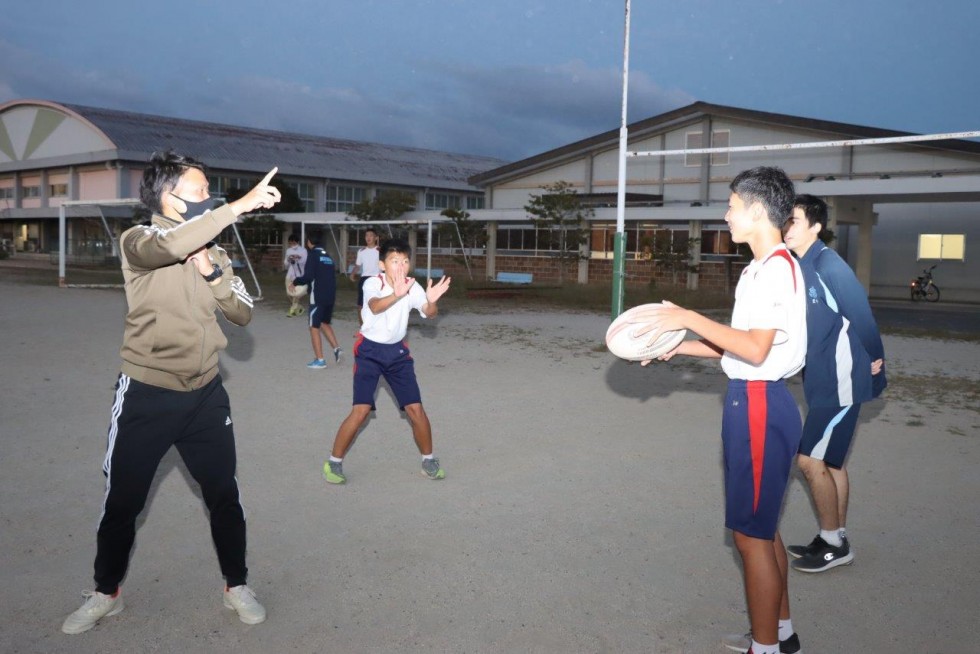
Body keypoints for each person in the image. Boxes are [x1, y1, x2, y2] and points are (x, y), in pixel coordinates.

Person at [61, 151, 281, 635]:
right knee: (123, 501)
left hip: (205, 396)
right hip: (146, 394)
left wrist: (211, 272)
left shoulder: (216, 253)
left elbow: (243, 313)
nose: (210, 199)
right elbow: (166, 247)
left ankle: (236, 585)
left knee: (224, 494)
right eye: (201, 191)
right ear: (169, 197)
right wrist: (238, 206)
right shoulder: (138, 240)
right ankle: (106, 592)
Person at [632, 167, 806, 654]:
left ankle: (765, 648)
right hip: (753, 401)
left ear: (755, 210)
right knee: (762, 529)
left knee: (750, 538)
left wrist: (687, 316)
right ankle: (781, 634)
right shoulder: (759, 269)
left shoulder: (774, 269)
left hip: (759, 405)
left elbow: (754, 351)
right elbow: (745, 346)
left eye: (731, 205)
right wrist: (680, 344)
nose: (725, 214)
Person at [781, 194, 886, 573]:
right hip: (824, 376)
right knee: (833, 463)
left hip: (842, 378)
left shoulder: (829, 265)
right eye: (785, 221)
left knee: (808, 460)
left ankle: (833, 544)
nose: (786, 227)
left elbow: (863, 315)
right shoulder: (799, 263)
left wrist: (876, 359)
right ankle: (834, 534)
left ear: (815, 226)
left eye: (793, 220)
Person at [324, 238, 451, 485]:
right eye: (395, 261)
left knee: (416, 409)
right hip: (369, 352)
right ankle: (334, 462)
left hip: (397, 354)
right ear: (382, 265)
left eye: (405, 261)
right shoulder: (373, 282)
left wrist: (432, 301)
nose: (401, 266)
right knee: (360, 411)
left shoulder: (412, 287)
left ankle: (429, 461)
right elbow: (375, 306)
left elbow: (429, 313)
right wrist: (396, 294)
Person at [291, 230, 342, 369]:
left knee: (314, 327)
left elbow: (308, 277)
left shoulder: (313, 255)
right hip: (330, 296)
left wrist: (295, 282)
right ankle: (337, 348)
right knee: (324, 323)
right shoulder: (328, 256)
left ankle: (320, 360)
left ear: (309, 242)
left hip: (318, 297)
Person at [350, 227, 380, 331]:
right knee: (361, 305)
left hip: (377, 279)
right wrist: (352, 274)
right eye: (367, 235)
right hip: (364, 279)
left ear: (376, 238)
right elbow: (358, 265)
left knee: (376, 305)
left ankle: (376, 328)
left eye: (371, 235)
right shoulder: (361, 251)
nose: (368, 237)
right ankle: (363, 329)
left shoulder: (380, 251)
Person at [283, 233, 307, 317]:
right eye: (290, 243)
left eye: (293, 243)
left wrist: (298, 258)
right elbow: (285, 263)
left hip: (299, 274)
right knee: (289, 293)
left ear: (297, 242)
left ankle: (292, 310)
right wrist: (289, 259)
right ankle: (299, 307)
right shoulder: (288, 251)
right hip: (290, 274)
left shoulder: (303, 251)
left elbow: (304, 262)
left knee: (296, 293)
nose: (292, 245)